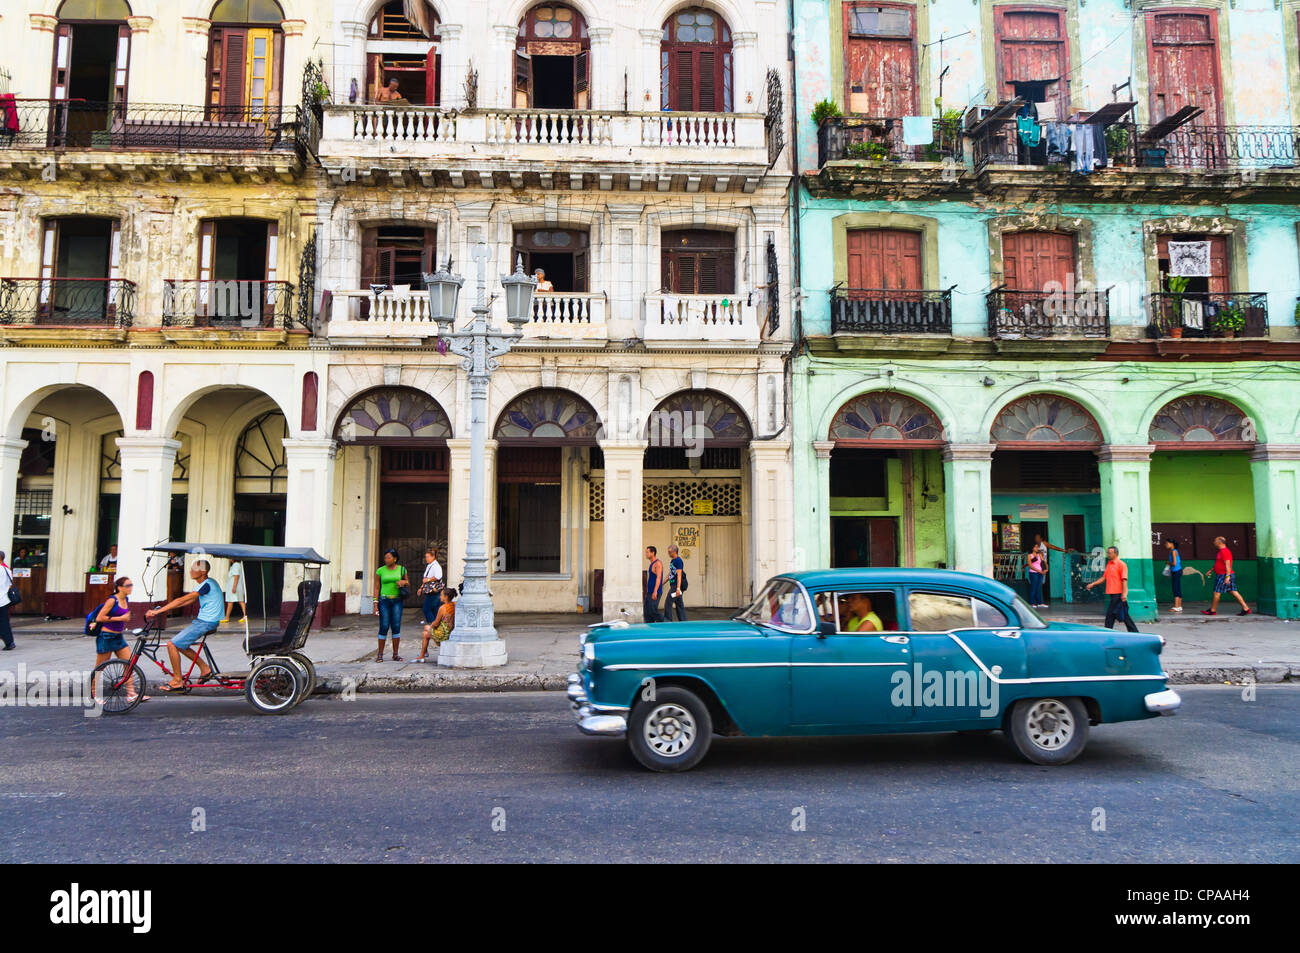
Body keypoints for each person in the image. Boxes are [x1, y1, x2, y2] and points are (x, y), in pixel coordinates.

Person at [145, 559, 224, 691]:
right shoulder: (206, 584)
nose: (191, 571)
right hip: (205, 621)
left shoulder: (206, 584)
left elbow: (182, 599)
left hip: (206, 622)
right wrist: (163, 611)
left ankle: (177, 680)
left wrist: (158, 611)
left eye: (194, 568)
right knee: (180, 643)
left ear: (203, 571)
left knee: (172, 644)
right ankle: (204, 668)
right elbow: (186, 602)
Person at [91, 577, 145, 703]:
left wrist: (125, 617)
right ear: (119, 588)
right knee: (100, 667)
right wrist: (121, 618)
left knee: (129, 663)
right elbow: (100, 618)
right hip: (106, 636)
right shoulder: (112, 600)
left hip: (118, 637)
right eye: (128, 585)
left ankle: (131, 693)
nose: (130, 588)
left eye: (131, 585)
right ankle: (94, 694)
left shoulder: (126, 599)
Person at [1085, 546, 1139, 632]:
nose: (1108, 554)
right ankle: (1134, 632)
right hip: (1112, 593)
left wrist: (1124, 594)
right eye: (1108, 553)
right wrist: (1093, 584)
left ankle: (1107, 631)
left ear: (1115, 553)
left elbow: (1124, 580)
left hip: (1118, 594)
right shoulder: (1109, 564)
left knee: (1110, 615)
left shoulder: (1122, 565)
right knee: (1122, 615)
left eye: (1110, 553)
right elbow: (1104, 577)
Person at [373, 549, 408, 661]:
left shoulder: (402, 569)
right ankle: (380, 654)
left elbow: (408, 582)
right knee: (384, 625)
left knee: (396, 626)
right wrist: (375, 603)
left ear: (395, 559)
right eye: (385, 558)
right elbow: (377, 587)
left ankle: (395, 654)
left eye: (388, 557)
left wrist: (403, 582)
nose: (386, 560)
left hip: (397, 600)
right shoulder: (380, 571)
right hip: (384, 600)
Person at [1204, 536, 1251, 616]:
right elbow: (1219, 563)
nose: (1214, 542)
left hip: (1223, 575)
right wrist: (1211, 570)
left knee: (1216, 592)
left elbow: (1227, 564)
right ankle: (1246, 608)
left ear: (1219, 542)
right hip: (1223, 575)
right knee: (1233, 591)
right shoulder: (1221, 551)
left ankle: (1212, 610)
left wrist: (1227, 576)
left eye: (1215, 541)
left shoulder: (1224, 551)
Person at [415, 586, 457, 662]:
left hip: (444, 635)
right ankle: (425, 652)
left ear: (446, 597)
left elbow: (436, 623)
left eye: (441, 595)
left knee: (425, 633)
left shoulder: (442, 608)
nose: (440, 597)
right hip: (451, 631)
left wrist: (431, 627)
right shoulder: (455, 604)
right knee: (426, 627)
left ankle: (422, 655)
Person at [418, 546, 444, 643]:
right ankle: (437, 629)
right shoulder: (430, 565)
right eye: (426, 557)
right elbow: (425, 577)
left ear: (433, 557)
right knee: (435, 611)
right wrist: (421, 587)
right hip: (430, 591)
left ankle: (433, 628)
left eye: (428, 557)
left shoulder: (436, 566)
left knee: (427, 609)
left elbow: (438, 576)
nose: (426, 558)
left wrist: (428, 580)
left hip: (434, 592)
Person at [664, 544, 687, 621]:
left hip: (676, 586)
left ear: (674, 552)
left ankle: (667, 620)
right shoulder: (673, 561)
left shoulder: (678, 561)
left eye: (670, 552)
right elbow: (671, 574)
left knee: (668, 603)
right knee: (679, 604)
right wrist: (662, 583)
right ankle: (683, 621)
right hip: (674, 585)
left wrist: (677, 588)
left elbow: (679, 575)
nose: (668, 553)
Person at [644, 546, 664, 623]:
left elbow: (658, 578)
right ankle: (650, 628)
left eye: (647, 552)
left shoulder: (657, 563)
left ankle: (665, 622)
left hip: (655, 592)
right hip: (650, 591)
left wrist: (655, 591)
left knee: (653, 610)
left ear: (653, 553)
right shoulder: (652, 564)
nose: (646, 554)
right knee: (647, 612)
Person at [1164, 538, 1184, 612]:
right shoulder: (1173, 551)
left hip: (1176, 571)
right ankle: (1179, 606)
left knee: (1175, 588)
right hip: (1177, 571)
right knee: (1178, 588)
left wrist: (1168, 562)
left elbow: (1174, 563)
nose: (1166, 545)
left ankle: (1176, 606)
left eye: (1167, 543)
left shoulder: (1173, 551)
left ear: (1172, 544)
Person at [0, 550, 15, 650]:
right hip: (4, 599)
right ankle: (9, 642)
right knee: (4, 622)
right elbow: (10, 585)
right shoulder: (7, 570)